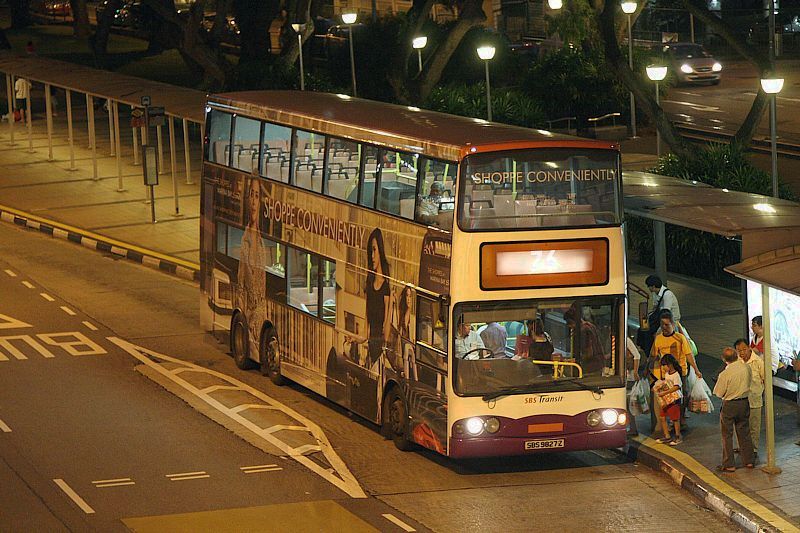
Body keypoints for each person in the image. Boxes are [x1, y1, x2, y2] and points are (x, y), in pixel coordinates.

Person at [649, 309, 701, 426]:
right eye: (662, 325)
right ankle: (673, 421)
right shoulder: (658, 339)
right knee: (669, 399)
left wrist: (696, 370)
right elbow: (653, 355)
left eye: (667, 325)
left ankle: (680, 418)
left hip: (681, 372)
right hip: (666, 375)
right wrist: (648, 369)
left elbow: (689, 355)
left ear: (673, 324)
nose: (664, 327)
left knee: (682, 396)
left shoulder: (680, 338)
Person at [713, 347, 755, 471]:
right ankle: (749, 461)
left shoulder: (725, 374)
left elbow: (719, 393)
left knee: (727, 434)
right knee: (744, 432)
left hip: (730, 405)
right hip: (744, 402)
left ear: (724, 359)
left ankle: (729, 464)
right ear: (737, 355)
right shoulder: (747, 368)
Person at [238, 178, 268, 347]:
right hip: (249, 319)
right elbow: (241, 286)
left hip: (262, 319)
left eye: (257, 196)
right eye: (252, 195)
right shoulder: (245, 240)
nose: (254, 201)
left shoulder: (263, 242)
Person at [734, 338, 765, 459]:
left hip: (754, 398)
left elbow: (765, 379)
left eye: (744, 349)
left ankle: (753, 449)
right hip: (740, 399)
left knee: (754, 426)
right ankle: (743, 446)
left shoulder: (758, 362)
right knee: (741, 425)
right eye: (739, 350)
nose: (742, 353)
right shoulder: (737, 361)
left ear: (749, 348)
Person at [563, 307, 605, 375]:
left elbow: (588, 353)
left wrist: (575, 360)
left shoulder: (583, 331)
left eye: (569, 323)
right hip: (598, 364)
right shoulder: (590, 326)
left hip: (590, 367)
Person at [654, 354, 683, 445]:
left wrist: (664, 393)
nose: (663, 367)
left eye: (664, 365)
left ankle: (678, 436)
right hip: (667, 400)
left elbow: (676, 387)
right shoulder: (667, 374)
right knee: (662, 417)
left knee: (675, 419)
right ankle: (667, 436)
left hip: (674, 400)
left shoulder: (676, 375)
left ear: (670, 365)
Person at [625, 336, 641, 436]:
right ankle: (632, 428)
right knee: (626, 404)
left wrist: (635, 372)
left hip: (629, 376)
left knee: (628, 403)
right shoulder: (616, 339)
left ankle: (633, 428)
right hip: (625, 375)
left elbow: (637, 355)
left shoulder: (625, 340)